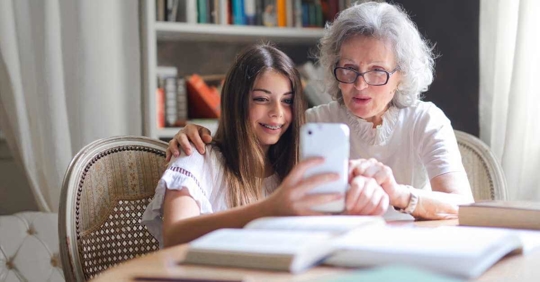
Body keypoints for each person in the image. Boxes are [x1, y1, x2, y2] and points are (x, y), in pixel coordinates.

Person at [166, 2, 474, 220]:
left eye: (377, 71)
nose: (360, 85)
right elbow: (250, 148)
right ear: (333, 67)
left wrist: (399, 195)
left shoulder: (425, 119)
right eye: (349, 69)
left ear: (401, 75)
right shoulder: (311, 124)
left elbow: (463, 205)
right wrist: (195, 134)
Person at [142, 44, 388, 248]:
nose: (277, 113)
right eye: (261, 99)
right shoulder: (197, 157)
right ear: (236, 102)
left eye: (287, 101)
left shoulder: (295, 168)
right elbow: (175, 235)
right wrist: (271, 208)